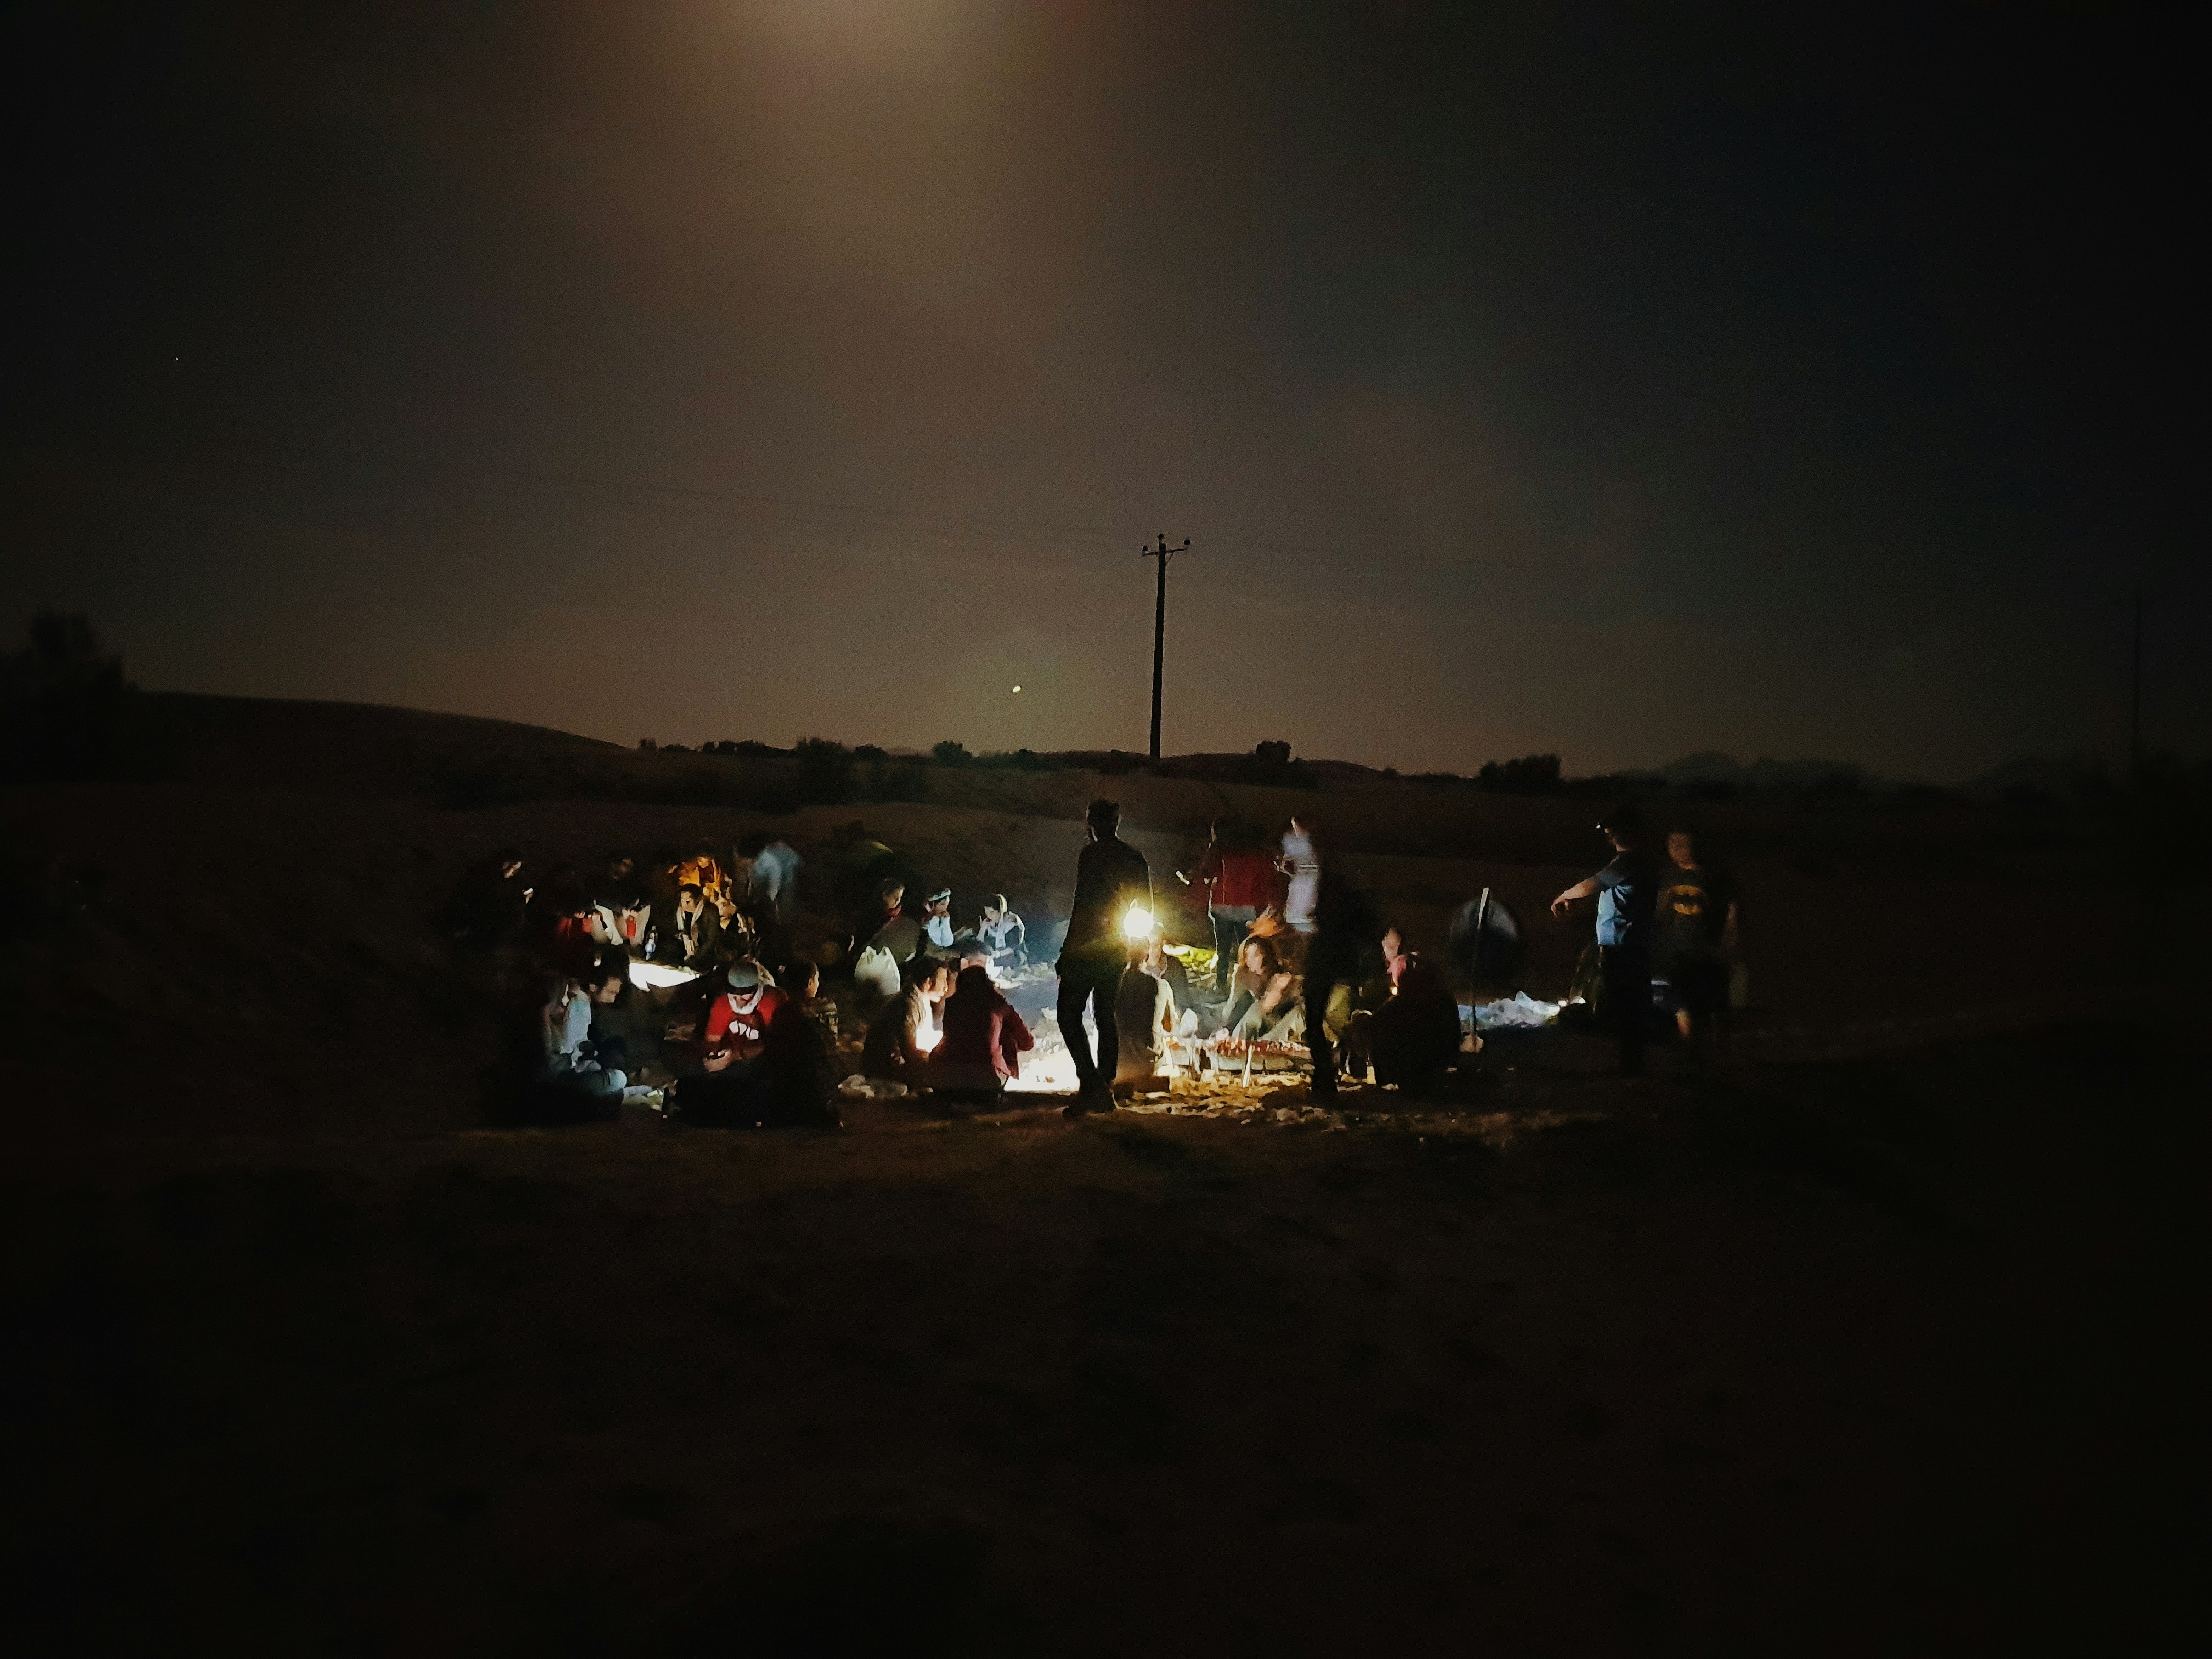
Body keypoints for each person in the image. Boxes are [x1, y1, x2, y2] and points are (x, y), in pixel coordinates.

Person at [1056, 798, 1152, 1115]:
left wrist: (1067, 950)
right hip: (1116, 946)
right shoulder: (1135, 858)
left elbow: (1083, 905)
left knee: (1068, 1015)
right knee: (1105, 1015)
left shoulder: (1091, 855)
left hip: (1087, 946)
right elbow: (1146, 908)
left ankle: (1092, 1084)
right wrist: (1135, 945)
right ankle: (1105, 1083)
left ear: (1092, 824)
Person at [1551, 809, 1660, 1074]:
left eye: (1614, 832)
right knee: (1624, 1005)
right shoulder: (1630, 862)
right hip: (1623, 945)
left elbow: (1595, 884)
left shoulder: (1631, 862)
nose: (1611, 838)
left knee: (1625, 1006)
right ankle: (1629, 1062)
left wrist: (1565, 896)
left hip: (1625, 947)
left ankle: (1631, 1066)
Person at [672, 958, 836, 1127]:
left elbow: (774, 1046)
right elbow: (711, 1041)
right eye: (735, 996)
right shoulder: (723, 1003)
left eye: (746, 996)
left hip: (775, 1074)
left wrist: (737, 1055)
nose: (740, 1002)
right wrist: (713, 1058)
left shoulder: (777, 1005)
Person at [1657, 828, 1740, 1054]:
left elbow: (1730, 907)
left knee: (1711, 1002)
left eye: (1682, 843)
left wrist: (1729, 936)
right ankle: (1689, 1051)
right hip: (1678, 951)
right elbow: (1661, 914)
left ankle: (1718, 1051)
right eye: (1672, 843)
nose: (1676, 849)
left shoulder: (1711, 877)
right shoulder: (1669, 877)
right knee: (1682, 1004)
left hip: (1706, 950)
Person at [1302, 857, 1370, 1098]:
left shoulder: (1335, 904)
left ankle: (1325, 1073)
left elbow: (1330, 927)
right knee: (1318, 1025)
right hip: (1334, 967)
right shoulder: (1345, 904)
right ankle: (1326, 1073)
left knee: (1317, 1024)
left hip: (1327, 966)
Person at [1195, 823, 1282, 992]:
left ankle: (1221, 985)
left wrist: (1197, 878)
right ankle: (1249, 988)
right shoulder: (1258, 853)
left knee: (1223, 950)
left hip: (1223, 906)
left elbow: (1206, 872)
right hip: (1247, 907)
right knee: (1248, 952)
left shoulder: (1219, 849)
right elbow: (1269, 880)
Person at [930, 964, 1035, 1103]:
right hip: (986, 1087)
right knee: (1007, 1034)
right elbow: (1027, 1042)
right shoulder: (996, 1003)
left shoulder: (952, 1003)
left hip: (947, 1086)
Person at [1368, 952, 1464, 1091]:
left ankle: (1388, 1078)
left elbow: (1375, 1025)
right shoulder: (1444, 999)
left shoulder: (1400, 1005)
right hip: (1440, 1061)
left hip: (1412, 1065)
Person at [861, 957, 951, 1087]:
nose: (946, 988)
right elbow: (910, 1052)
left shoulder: (921, 999)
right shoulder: (909, 1005)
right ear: (928, 982)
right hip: (885, 1068)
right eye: (943, 981)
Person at [444, 847, 527, 951]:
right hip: (466, 915)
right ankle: (473, 944)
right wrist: (517, 902)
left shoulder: (494, 874)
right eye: (514, 869)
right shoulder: (486, 876)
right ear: (506, 865)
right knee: (514, 917)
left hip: (474, 911)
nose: (514, 873)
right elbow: (491, 904)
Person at [738, 831, 802, 923]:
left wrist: (771, 897)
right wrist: (748, 898)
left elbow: (775, 880)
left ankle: (783, 923)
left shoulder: (770, 860)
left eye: (745, 861)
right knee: (756, 895)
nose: (743, 863)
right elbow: (749, 879)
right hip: (765, 872)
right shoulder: (745, 858)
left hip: (787, 869)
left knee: (784, 902)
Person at [1279, 814, 1321, 933]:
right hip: (1300, 876)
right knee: (1298, 892)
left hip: (1310, 874)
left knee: (1307, 893)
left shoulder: (1311, 838)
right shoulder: (1289, 839)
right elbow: (1288, 857)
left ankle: (1305, 918)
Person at [666, 882, 722, 968]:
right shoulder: (681, 912)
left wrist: (696, 958)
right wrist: (683, 936)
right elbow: (675, 931)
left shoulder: (711, 911)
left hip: (704, 952)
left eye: (688, 902)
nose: (685, 905)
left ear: (698, 900)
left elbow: (711, 940)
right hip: (687, 950)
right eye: (683, 901)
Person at [974, 895, 1028, 968]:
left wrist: (997, 954)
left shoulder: (1012, 922)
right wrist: (983, 929)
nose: (989, 916)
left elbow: (1014, 948)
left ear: (1001, 911)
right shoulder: (990, 924)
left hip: (1013, 958)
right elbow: (981, 945)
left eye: (992, 912)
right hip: (994, 958)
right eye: (987, 912)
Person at [921, 887, 958, 957]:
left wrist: (945, 921)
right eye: (943, 904)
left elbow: (948, 941)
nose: (945, 907)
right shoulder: (929, 919)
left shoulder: (945, 917)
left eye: (947, 904)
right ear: (935, 905)